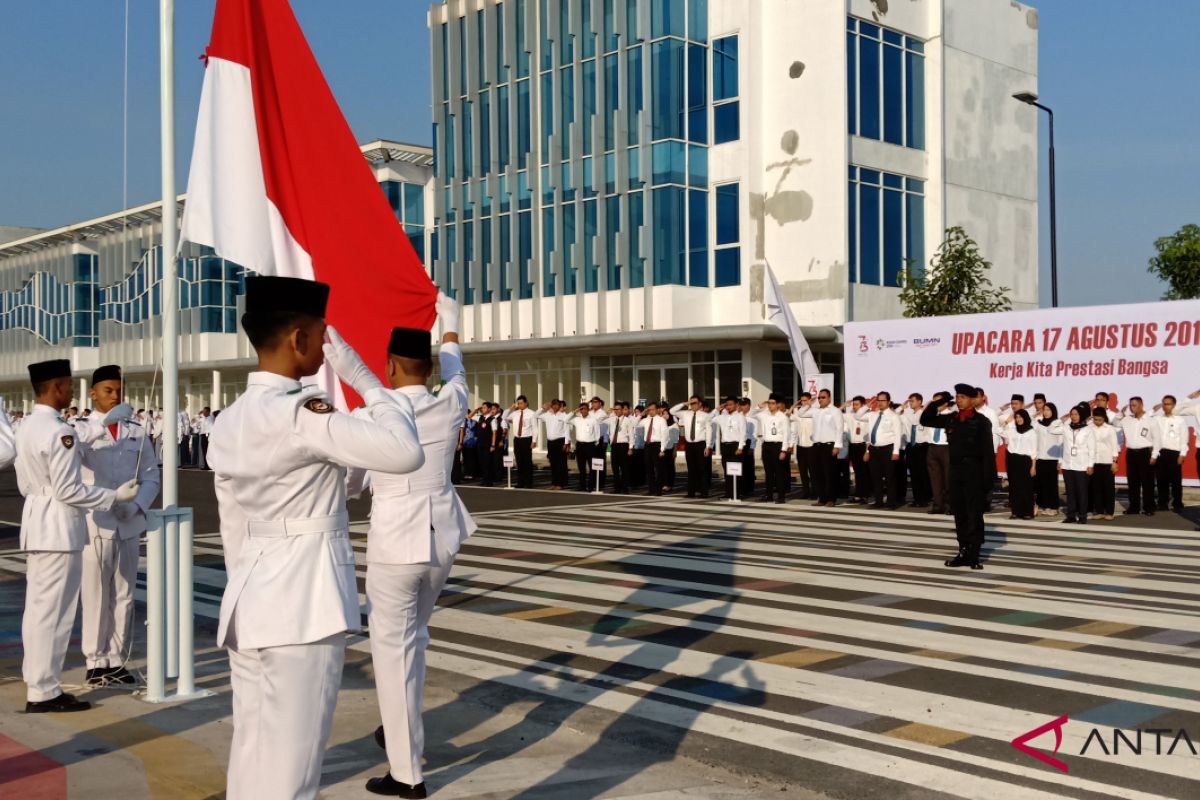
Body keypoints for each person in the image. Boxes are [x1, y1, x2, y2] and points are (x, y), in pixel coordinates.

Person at [207, 276, 424, 800]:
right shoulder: (301, 413)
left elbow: (232, 520)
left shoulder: (231, 419)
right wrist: (369, 382)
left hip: (252, 598)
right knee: (292, 769)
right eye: (323, 337)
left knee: (253, 753)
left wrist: (248, 585)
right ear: (299, 340)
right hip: (303, 602)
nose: (329, 350)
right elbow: (405, 451)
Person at [349, 296, 476, 799]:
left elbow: (353, 481)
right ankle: (395, 724)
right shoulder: (451, 401)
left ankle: (407, 775)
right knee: (414, 639)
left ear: (389, 365)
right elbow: (456, 366)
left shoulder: (375, 413)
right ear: (427, 367)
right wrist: (449, 323)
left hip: (395, 542)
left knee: (391, 649)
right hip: (442, 537)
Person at [16, 359, 137, 713]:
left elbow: (27, 478)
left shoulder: (27, 425)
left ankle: (38, 681)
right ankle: (44, 691)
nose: (71, 392)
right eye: (68, 386)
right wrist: (114, 496)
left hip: (37, 519)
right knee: (54, 613)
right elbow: (69, 489)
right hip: (58, 525)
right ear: (55, 387)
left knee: (38, 611)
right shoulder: (59, 431)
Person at [76, 365, 161, 686]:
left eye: (119, 391)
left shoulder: (136, 430)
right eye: (108, 391)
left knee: (125, 593)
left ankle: (115, 658)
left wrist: (138, 504)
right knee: (96, 592)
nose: (114, 397)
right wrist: (109, 499)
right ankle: (94, 660)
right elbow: (73, 470)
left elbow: (151, 474)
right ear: (93, 393)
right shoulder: (81, 430)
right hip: (96, 521)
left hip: (128, 521)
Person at [920, 385, 992, 569]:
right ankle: (963, 551)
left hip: (974, 471)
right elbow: (926, 419)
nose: (959, 400)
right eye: (957, 397)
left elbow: (988, 453)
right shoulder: (952, 418)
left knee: (974, 514)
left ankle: (974, 555)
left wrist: (987, 481)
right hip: (956, 470)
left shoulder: (982, 421)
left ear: (972, 400)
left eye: (963, 397)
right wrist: (939, 401)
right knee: (959, 512)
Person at [793, 389, 843, 507]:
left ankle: (831, 498)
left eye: (823, 397)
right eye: (819, 397)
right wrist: (808, 403)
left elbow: (839, 429)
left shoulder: (835, 411)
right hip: (816, 446)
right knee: (816, 473)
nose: (821, 399)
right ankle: (822, 498)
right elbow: (800, 413)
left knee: (829, 474)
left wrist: (837, 445)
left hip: (829, 445)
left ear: (829, 398)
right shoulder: (815, 411)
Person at [858, 392, 902, 509]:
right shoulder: (873, 414)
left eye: (882, 400)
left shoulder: (893, 416)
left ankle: (891, 502)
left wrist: (896, 451)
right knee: (875, 476)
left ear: (888, 402)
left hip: (887, 448)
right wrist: (868, 405)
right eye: (878, 400)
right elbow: (857, 416)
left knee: (889, 477)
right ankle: (878, 501)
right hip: (874, 449)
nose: (880, 403)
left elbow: (897, 435)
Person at [1112, 397, 1155, 515]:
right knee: (1133, 482)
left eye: (1135, 405)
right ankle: (1134, 507)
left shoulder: (1151, 420)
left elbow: (1157, 439)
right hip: (1131, 453)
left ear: (1141, 405)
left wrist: (1154, 455)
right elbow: (1115, 422)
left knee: (1147, 482)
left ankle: (1149, 508)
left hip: (1145, 452)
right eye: (1131, 405)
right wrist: (1121, 413)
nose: (1132, 407)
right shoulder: (1127, 419)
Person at [751, 395, 794, 504]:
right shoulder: (764, 415)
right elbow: (751, 414)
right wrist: (760, 405)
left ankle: (781, 496)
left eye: (773, 403)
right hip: (766, 446)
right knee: (768, 472)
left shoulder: (783, 417)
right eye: (769, 403)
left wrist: (783, 450)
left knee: (779, 472)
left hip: (777, 445)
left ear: (778, 404)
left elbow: (786, 435)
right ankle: (769, 495)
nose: (770, 405)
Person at [670, 396, 714, 498]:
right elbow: (672, 411)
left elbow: (709, 431)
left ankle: (703, 491)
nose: (692, 405)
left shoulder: (705, 416)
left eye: (695, 403)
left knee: (702, 468)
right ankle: (691, 492)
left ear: (700, 404)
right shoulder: (685, 414)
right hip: (689, 444)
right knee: (691, 469)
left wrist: (708, 446)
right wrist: (685, 403)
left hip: (700, 444)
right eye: (691, 403)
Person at [1151, 395, 1187, 512]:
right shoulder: (1157, 419)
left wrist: (1182, 454)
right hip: (1161, 452)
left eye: (1168, 404)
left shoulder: (1180, 421)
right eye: (1164, 404)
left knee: (1176, 481)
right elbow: (1147, 418)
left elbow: (1184, 439)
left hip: (1174, 453)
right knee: (1161, 480)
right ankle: (1162, 503)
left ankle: (1177, 503)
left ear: (1173, 405)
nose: (1166, 406)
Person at [1061, 403, 1096, 524]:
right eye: (1072, 414)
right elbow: (1051, 429)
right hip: (1067, 464)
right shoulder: (1066, 428)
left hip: (1081, 465)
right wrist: (1062, 419)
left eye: (1076, 414)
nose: (1073, 416)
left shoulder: (1088, 430)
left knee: (1082, 492)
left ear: (1081, 415)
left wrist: (1090, 465)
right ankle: (1071, 515)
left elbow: (1092, 449)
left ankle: (1082, 516)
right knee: (1070, 491)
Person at [1002, 409, 1037, 519]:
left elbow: (1034, 450)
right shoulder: (1012, 430)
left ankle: (1027, 512)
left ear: (1025, 418)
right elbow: (998, 430)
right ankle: (1015, 512)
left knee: (1026, 487)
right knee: (1014, 487)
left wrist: (1033, 466)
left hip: (1025, 461)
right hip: (1013, 459)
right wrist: (1007, 422)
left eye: (1020, 417)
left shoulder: (1031, 432)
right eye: (1016, 417)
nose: (1018, 419)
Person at [901, 393, 932, 508]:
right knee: (914, 474)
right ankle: (917, 498)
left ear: (919, 401)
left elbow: (915, 421)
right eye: (909, 401)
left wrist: (905, 412)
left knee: (922, 473)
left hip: (922, 446)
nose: (910, 403)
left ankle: (924, 498)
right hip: (911, 446)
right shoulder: (909, 414)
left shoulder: (923, 413)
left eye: (912, 401)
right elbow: (900, 417)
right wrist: (902, 409)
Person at [1034, 403, 1064, 516]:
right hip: (1040, 457)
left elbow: (1061, 442)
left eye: (1048, 410)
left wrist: (1060, 460)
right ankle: (1043, 504)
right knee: (1041, 483)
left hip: (1052, 458)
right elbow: (1035, 439)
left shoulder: (1057, 424)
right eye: (1044, 410)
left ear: (1053, 411)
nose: (1046, 412)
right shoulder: (1039, 424)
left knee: (1051, 484)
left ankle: (1053, 506)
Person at [1089, 407, 1119, 520]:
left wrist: (1114, 462)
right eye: (1095, 419)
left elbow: (1114, 446)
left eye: (1100, 420)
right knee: (1096, 488)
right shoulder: (1089, 428)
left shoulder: (1110, 429)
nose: (1097, 422)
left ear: (1104, 418)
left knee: (1108, 488)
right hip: (1094, 461)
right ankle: (1099, 511)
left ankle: (1109, 512)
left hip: (1107, 461)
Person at [925, 391, 952, 515]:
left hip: (946, 448)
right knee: (935, 478)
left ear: (946, 403)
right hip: (932, 447)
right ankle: (938, 504)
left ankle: (950, 505)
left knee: (948, 478)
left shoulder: (951, 416)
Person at [714, 397, 746, 500]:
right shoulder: (722, 417)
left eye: (731, 404)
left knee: (735, 471)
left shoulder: (740, 417)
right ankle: (728, 493)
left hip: (735, 445)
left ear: (736, 405)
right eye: (727, 404)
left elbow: (743, 433)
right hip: (725, 446)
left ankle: (736, 493)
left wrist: (740, 447)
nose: (728, 406)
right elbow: (708, 419)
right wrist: (717, 409)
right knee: (727, 471)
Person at [537, 400, 571, 490]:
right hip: (550, 442)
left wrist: (566, 443)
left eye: (557, 405)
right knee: (553, 464)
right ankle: (554, 483)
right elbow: (535, 416)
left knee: (560, 464)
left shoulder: (564, 416)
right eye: (553, 405)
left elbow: (566, 430)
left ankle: (560, 483)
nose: (554, 406)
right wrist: (542, 408)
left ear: (559, 406)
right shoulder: (547, 415)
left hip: (560, 441)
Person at [638, 401, 669, 496]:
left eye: (652, 409)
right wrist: (642, 414)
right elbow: (635, 424)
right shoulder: (646, 420)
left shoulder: (661, 420)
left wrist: (662, 449)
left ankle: (658, 490)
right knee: (649, 468)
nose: (650, 411)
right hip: (648, 445)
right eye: (649, 409)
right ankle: (651, 489)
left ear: (657, 410)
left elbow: (665, 435)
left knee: (658, 469)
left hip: (657, 445)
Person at [569, 403, 601, 491]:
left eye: (584, 409)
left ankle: (591, 486)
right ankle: (582, 485)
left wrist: (594, 444)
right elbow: (565, 419)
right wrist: (574, 411)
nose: (583, 411)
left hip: (590, 446)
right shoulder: (576, 419)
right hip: (579, 445)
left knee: (592, 467)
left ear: (588, 410)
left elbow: (597, 433)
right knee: (581, 467)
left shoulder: (593, 420)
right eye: (581, 409)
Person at [844, 396, 870, 504]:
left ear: (863, 405)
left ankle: (865, 495)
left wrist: (867, 451)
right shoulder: (850, 416)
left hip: (863, 446)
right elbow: (835, 414)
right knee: (857, 472)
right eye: (853, 404)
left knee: (864, 472)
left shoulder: (867, 417)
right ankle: (858, 495)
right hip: (853, 446)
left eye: (857, 404)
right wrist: (844, 406)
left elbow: (869, 435)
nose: (854, 407)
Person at [505, 396, 536, 488]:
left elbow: (535, 428)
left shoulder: (532, 413)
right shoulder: (515, 413)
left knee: (527, 461)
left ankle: (528, 482)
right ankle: (520, 482)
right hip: (517, 439)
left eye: (521, 403)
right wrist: (511, 408)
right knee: (519, 461)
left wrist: (534, 441)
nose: (519, 405)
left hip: (527, 439)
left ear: (526, 403)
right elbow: (504, 417)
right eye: (518, 403)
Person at [791, 393, 815, 499]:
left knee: (813, 471)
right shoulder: (798, 413)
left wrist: (808, 406)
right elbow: (787, 415)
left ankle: (815, 492)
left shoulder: (814, 412)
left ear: (810, 400)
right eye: (802, 401)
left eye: (805, 400)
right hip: (800, 445)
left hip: (811, 445)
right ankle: (806, 492)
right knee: (803, 471)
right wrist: (794, 406)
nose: (803, 403)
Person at [607, 402, 633, 494]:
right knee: (615, 467)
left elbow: (631, 434)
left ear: (622, 410)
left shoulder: (627, 420)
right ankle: (617, 488)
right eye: (615, 409)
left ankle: (625, 488)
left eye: (618, 409)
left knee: (624, 467)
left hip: (623, 445)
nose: (616, 411)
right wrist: (608, 413)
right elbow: (600, 420)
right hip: (614, 445)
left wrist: (630, 448)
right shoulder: (611, 419)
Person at [738, 398, 758, 498]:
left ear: (749, 405)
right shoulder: (738, 416)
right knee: (741, 467)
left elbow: (754, 434)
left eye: (744, 405)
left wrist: (752, 447)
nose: (742, 407)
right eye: (741, 405)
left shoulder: (753, 417)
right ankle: (741, 488)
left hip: (748, 443)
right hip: (739, 442)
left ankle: (749, 488)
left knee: (748, 467)